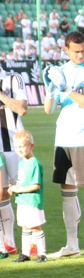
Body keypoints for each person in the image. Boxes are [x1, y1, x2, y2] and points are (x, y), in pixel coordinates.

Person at [44, 31, 84, 259]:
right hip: (63, 140)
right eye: (76, 51)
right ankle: (72, 246)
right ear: (66, 50)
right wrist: (49, 89)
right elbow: (49, 110)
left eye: (83, 50)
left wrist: (67, 90)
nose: (80, 55)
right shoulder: (61, 72)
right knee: (67, 193)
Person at [0, 63, 28, 257]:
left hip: (14, 146)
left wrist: (1, 95)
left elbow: (22, 109)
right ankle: (4, 244)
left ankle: (29, 238)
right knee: (0, 192)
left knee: (24, 192)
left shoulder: (13, 78)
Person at [7, 130, 47, 263]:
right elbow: (22, 182)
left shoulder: (34, 163)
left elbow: (36, 185)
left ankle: (42, 254)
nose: (20, 150)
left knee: (35, 226)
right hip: (23, 200)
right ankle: (25, 253)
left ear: (31, 146)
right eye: (17, 147)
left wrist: (19, 190)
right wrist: (14, 189)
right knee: (24, 226)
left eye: (23, 146)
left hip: (32, 201)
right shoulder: (21, 163)